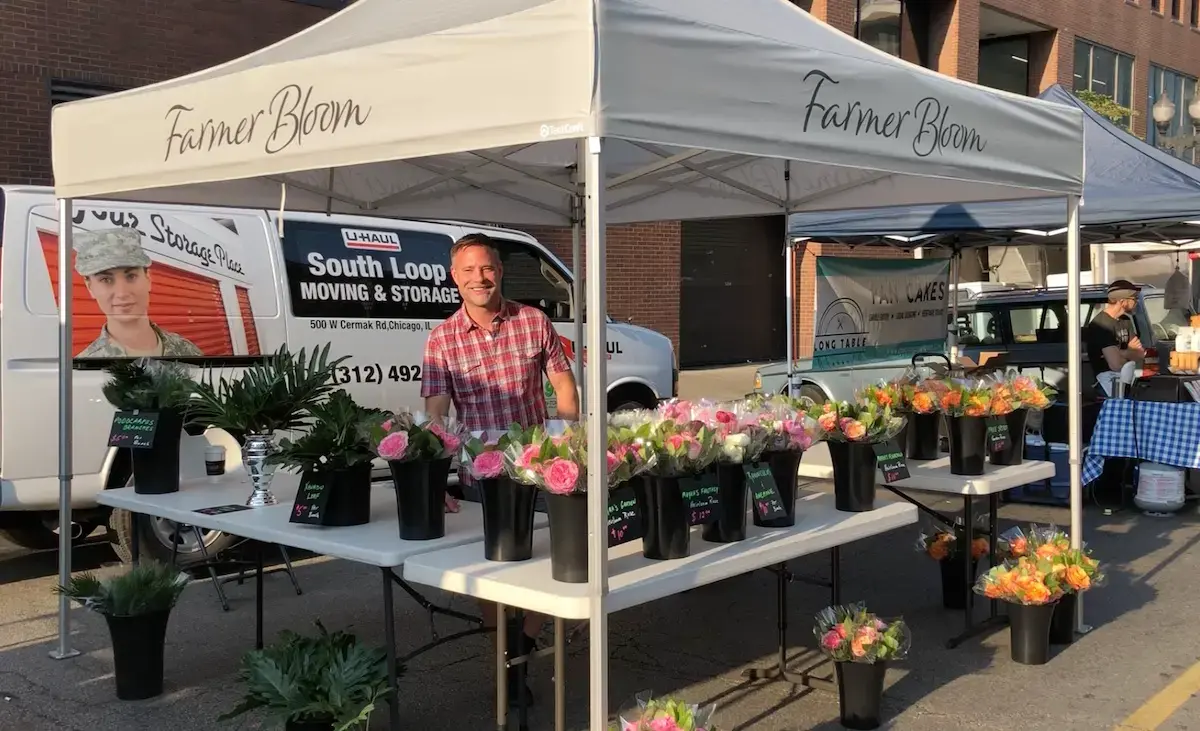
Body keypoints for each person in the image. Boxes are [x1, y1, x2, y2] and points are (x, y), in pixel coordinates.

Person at [421, 233, 579, 706]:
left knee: (547, 568)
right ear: (454, 279)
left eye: (486, 268)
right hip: (480, 476)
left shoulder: (534, 322)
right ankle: (506, 664)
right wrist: (434, 480)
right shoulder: (441, 339)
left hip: (538, 471)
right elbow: (435, 417)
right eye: (468, 271)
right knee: (490, 578)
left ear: (500, 271)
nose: (479, 278)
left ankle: (524, 643)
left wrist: (569, 445)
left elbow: (564, 388)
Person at [73, 227, 203, 358]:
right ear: (90, 287)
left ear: (148, 279)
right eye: (106, 279)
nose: (122, 293)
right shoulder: (83, 371)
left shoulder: (188, 352)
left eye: (131, 276)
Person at [1084, 279, 1145, 379]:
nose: (1136, 302)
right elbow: (1116, 365)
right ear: (1122, 301)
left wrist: (1120, 353)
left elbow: (1140, 354)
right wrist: (1128, 352)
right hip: (1108, 381)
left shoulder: (1126, 320)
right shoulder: (1101, 325)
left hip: (1127, 378)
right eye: (1134, 298)